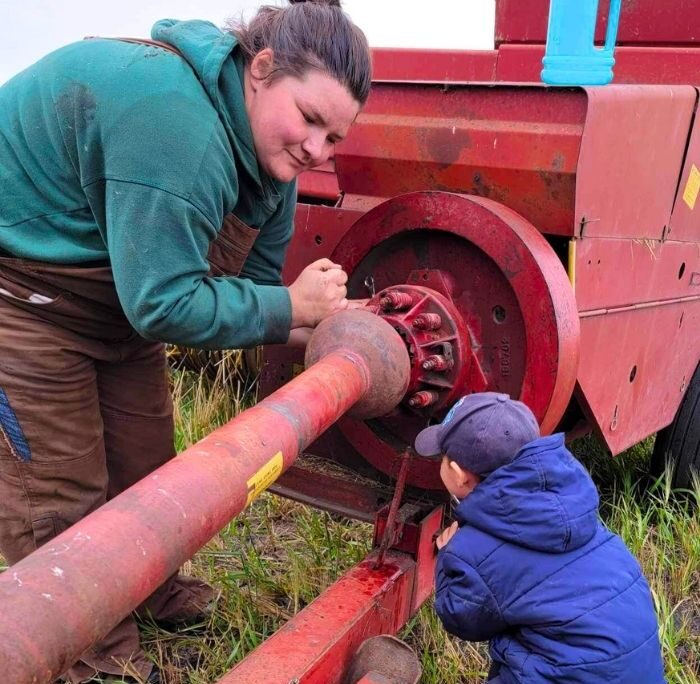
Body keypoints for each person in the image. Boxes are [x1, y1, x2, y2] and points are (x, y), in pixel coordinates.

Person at [0, 1, 370, 681]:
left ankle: (146, 588)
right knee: (61, 490)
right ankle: (93, 654)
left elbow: (252, 296)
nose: (317, 149)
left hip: (117, 301)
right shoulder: (174, 124)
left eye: (334, 138)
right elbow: (168, 303)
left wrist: (329, 320)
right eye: (310, 119)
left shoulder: (272, 166)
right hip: (23, 300)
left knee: (147, 466)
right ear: (260, 69)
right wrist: (292, 304)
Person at [414, 392, 666, 684]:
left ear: (459, 474)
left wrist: (447, 556)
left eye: (442, 458)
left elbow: (461, 619)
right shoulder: (575, 508)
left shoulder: (472, 549)